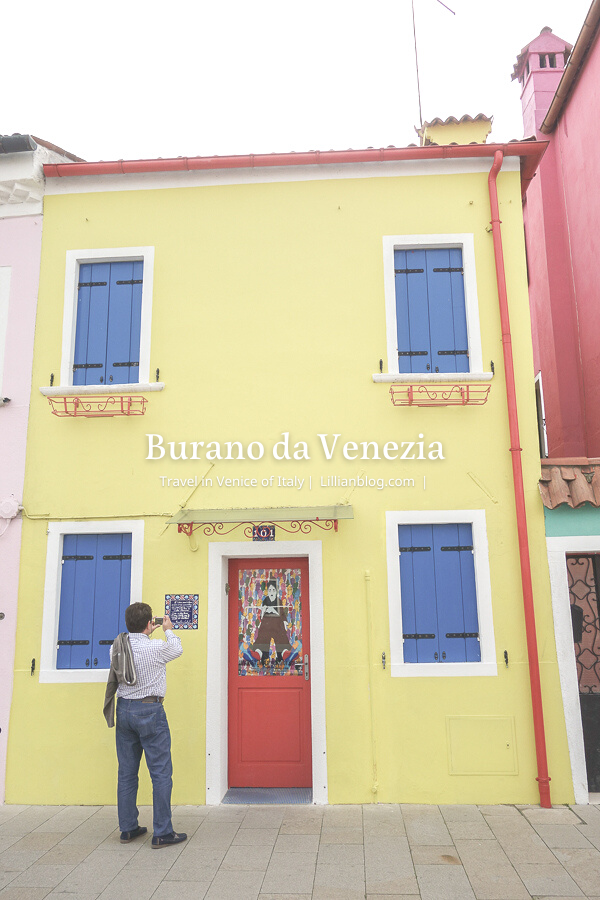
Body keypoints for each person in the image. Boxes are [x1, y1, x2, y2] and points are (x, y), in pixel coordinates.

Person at [111, 602, 186, 849]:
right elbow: (177, 649)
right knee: (161, 773)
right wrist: (168, 629)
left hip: (124, 710)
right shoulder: (155, 647)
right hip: (150, 709)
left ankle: (128, 828)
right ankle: (162, 831)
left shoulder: (118, 645)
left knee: (127, 773)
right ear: (148, 624)